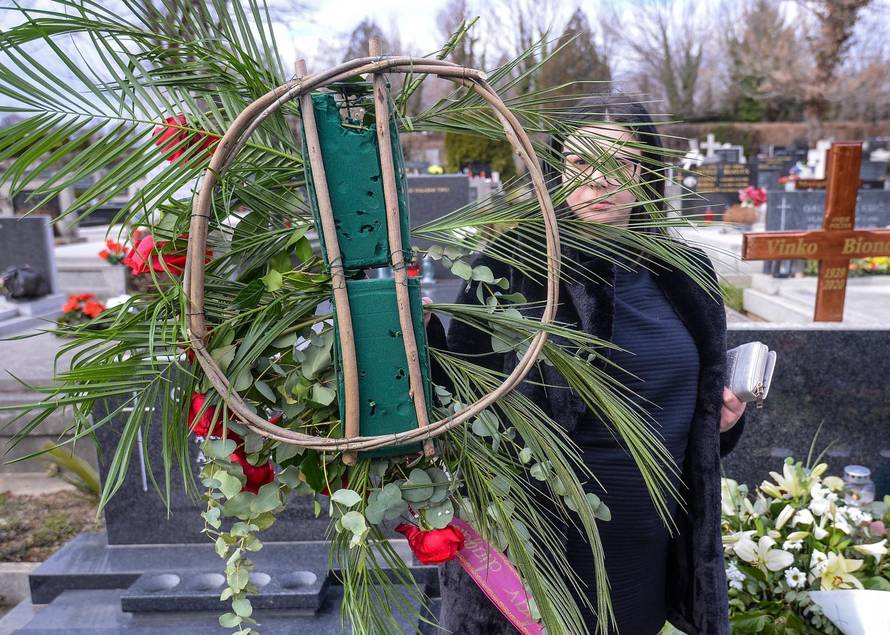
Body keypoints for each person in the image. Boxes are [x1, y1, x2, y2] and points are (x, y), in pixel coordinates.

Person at [425, 94, 747, 635]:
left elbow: (696, 403)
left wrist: (728, 421)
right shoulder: (510, 266)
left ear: (644, 170)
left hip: (648, 546)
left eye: (619, 162)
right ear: (557, 169)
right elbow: (458, 402)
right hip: (541, 554)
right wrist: (419, 337)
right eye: (580, 163)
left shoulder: (685, 273)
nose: (598, 181)